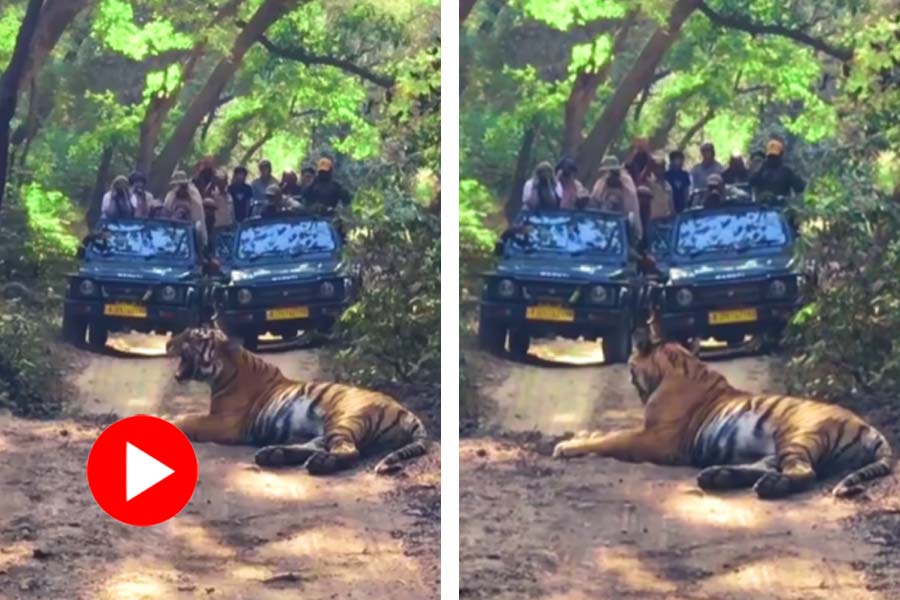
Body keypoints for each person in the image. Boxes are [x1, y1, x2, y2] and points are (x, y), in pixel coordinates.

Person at [589, 156, 642, 240]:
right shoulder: (601, 182)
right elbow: (594, 199)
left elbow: (630, 203)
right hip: (604, 221)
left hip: (623, 222)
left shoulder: (626, 181)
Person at [163, 171, 207, 247]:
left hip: (191, 230)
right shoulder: (171, 195)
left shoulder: (194, 194)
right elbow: (167, 209)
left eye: (182, 185)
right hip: (174, 229)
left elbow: (197, 213)